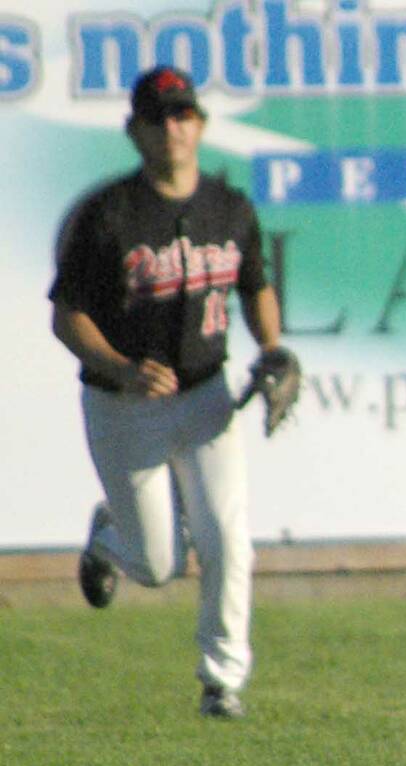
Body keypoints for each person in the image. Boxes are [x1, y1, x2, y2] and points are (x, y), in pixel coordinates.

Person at [51, 64, 291, 720]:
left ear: (202, 126)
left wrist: (272, 351)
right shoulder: (107, 215)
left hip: (206, 394)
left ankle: (223, 681)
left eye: (183, 115)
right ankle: (110, 537)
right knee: (158, 566)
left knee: (227, 537)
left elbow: (255, 285)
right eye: (157, 118)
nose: (172, 129)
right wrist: (119, 365)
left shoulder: (229, 207)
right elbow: (66, 316)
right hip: (123, 402)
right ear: (134, 131)